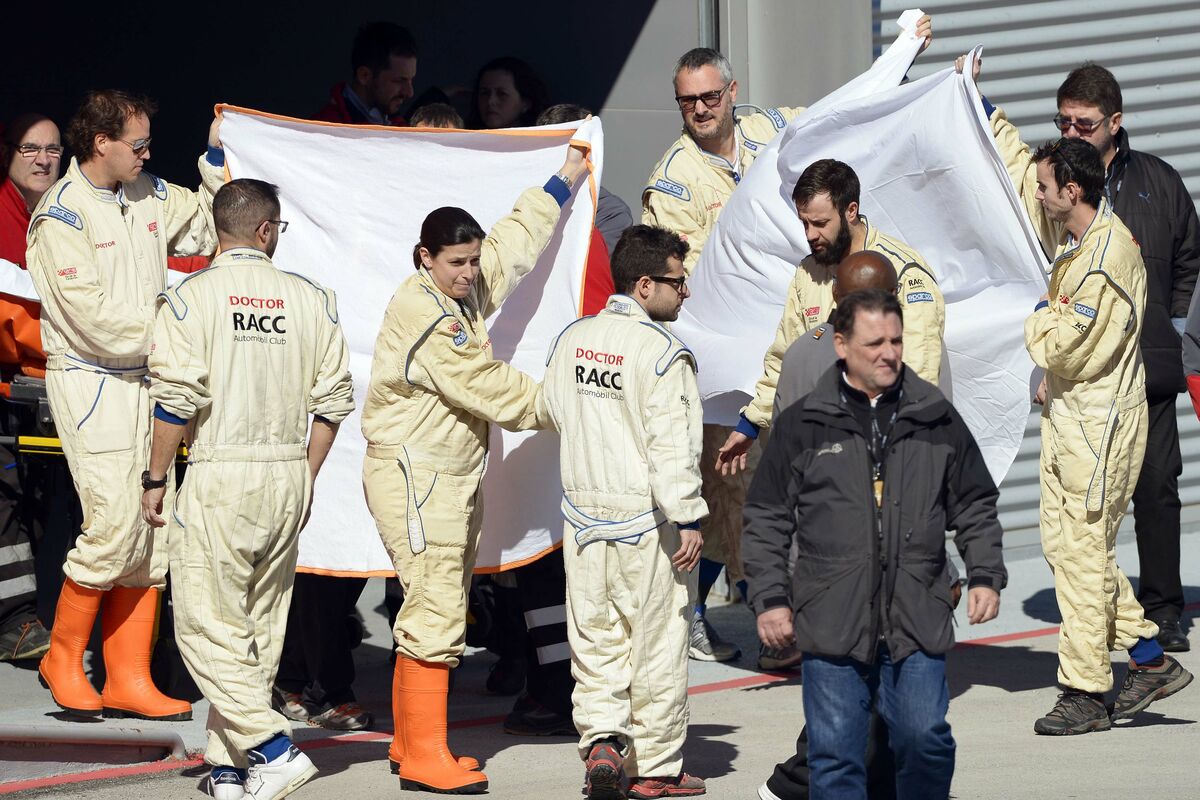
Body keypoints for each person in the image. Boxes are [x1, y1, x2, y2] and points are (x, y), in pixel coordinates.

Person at [642, 28, 934, 663]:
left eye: (710, 96)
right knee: (730, 492)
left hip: (809, 312)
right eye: (688, 101)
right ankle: (709, 611)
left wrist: (898, 69)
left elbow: (843, 119)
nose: (701, 109)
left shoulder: (772, 129)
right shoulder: (672, 182)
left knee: (793, 496)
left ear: (732, 91)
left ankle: (791, 620)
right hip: (733, 351)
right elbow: (691, 273)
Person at [976, 49, 1195, 731]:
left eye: (1047, 189)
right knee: (1070, 550)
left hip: (1101, 425)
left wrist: (1034, 318)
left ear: (1072, 192)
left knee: (1081, 553)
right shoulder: (1075, 237)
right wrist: (981, 107)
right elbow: (1021, 168)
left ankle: (1085, 690)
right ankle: (1150, 658)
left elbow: (1062, 345)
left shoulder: (1102, 262)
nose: (1038, 196)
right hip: (1073, 419)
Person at [361, 141, 588, 794]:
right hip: (419, 478)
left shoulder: (457, 290)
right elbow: (489, 386)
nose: (469, 273)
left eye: (471, 260)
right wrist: (571, 405)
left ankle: (410, 744)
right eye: (455, 263)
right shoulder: (429, 315)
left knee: (434, 604)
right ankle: (426, 754)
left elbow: (511, 248)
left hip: (446, 476)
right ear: (424, 258)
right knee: (435, 610)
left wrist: (563, 180)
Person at [744, 288, 1005, 799]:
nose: (888, 353)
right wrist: (770, 598)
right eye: (874, 343)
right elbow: (767, 516)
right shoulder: (804, 424)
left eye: (895, 341)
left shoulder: (935, 416)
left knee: (924, 740)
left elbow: (974, 501)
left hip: (916, 616)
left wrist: (985, 574)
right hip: (832, 619)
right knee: (836, 758)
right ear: (841, 345)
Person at [140, 178, 353, 800]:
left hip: (220, 471)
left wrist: (156, 477)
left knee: (205, 628)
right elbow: (334, 401)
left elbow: (176, 401)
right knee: (257, 630)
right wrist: (304, 475)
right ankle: (230, 769)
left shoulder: (191, 298)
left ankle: (274, 747)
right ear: (265, 231)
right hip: (288, 471)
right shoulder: (312, 298)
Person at [27, 89, 224, 721]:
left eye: (148, 143)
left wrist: (218, 159)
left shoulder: (148, 192)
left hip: (149, 379)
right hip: (92, 381)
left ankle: (128, 676)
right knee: (113, 523)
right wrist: (178, 334)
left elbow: (210, 224)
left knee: (153, 530)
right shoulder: (61, 218)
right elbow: (95, 321)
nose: (146, 153)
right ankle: (62, 658)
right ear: (100, 142)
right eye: (136, 144)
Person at [541, 224, 708, 799]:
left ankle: (604, 745)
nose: (685, 292)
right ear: (644, 285)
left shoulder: (572, 339)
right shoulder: (662, 353)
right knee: (657, 646)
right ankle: (656, 768)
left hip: (583, 522)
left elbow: (553, 410)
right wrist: (688, 517)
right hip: (647, 526)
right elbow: (673, 446)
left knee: (596, 644)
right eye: (677, 282)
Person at [1051, 64, 1198, 653]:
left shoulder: (1158, 182)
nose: (1071, 133)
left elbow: (1189, 261)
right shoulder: (1052, 186)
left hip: (1149, 370)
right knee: (1088, 502)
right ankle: (1103, 614)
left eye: (1083, 124)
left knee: (1156, 489)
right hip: (1086, 377)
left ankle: (1163, 610)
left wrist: (1176, 332)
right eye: (1063, 122)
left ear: (1115, 122)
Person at [0, 114, 60, 662]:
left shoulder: (66, 214)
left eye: (53, 150)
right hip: (11, 385)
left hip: (43, 386)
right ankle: (13, 623)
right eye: (30, 148)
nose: (43, 159)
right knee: (7, 505)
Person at [313, 21, 417, 126]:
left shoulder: (399, 125)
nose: (409, 92)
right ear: (364, 76)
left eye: (411, 80)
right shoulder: (323, 131)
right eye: (399, 81)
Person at [469, 56, 549, 129]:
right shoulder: (465, 139)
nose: (490, 101)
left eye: (502, 94)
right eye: (484, 93)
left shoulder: (543, 139)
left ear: (526, 103)